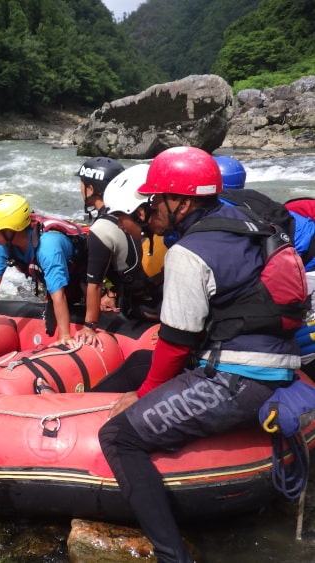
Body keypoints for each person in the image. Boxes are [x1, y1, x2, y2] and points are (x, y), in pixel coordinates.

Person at [98, 147, 301, 563]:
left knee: (118, 437)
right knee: (138, 362)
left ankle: (174, 557)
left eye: (157, 200)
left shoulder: (189, 253)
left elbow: (176, 341)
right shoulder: (243, 220)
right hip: (274, 362)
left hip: (239, 380)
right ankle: (80, 403)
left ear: (182, 202)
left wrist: (144, 395)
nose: (150, 207)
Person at [0, 194, 77, 351]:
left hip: (81, 277)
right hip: (56, 280)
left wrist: (65, 336)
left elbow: (58, 294)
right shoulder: (4, 245)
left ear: (10, 230)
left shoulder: (47, 248)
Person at [73, 164, 161, 348]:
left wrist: (89, 326)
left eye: (82, 184)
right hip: (158, 303)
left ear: (90, 188)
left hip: (143, 309)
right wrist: (112, 294)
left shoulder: (101, 228)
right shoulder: (165, 227)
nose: (121, 225)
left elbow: (94, 283)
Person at [77, 156, 125, 223]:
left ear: (90, 189)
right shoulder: (125, 216)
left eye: (81, 182)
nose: (80, 187)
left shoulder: (101, 227)